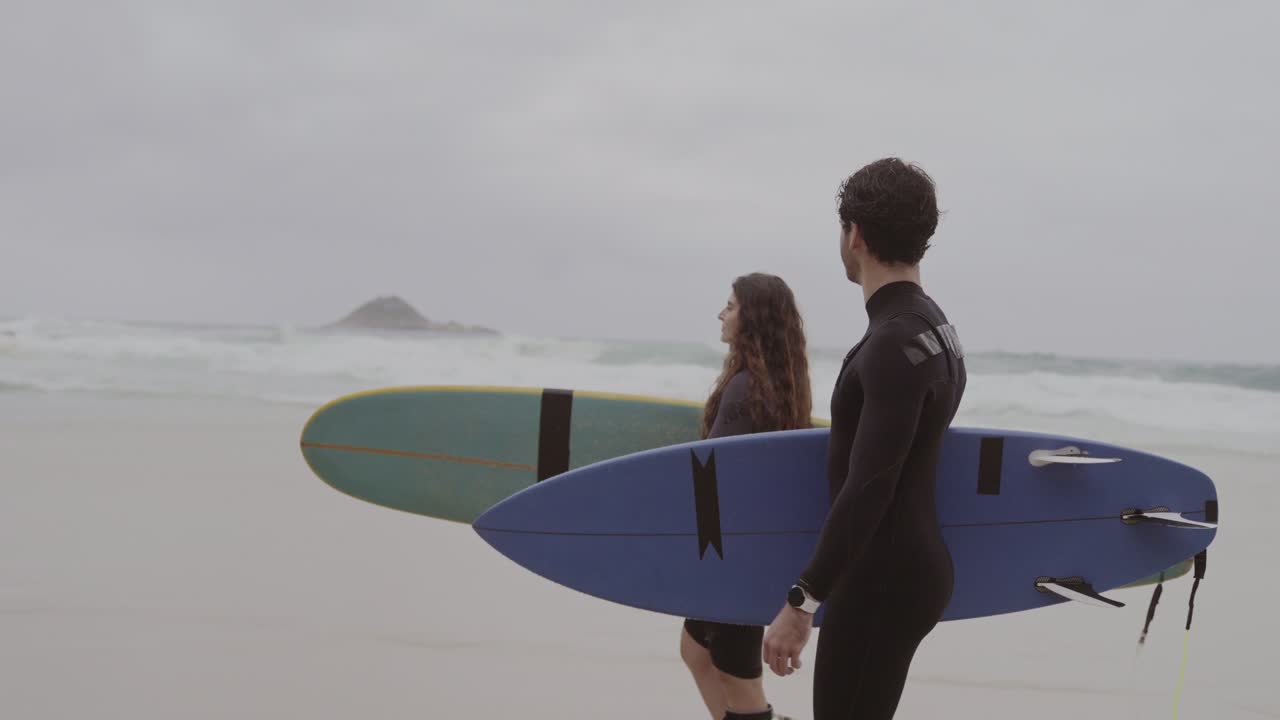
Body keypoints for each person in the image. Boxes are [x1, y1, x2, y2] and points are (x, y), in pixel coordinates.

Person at [761, 158, 968, 720]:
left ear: (855, 236)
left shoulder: (891, 345)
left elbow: (870, 487)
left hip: (880, 581)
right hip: (908, 571)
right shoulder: (937, 330)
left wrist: (802, 601)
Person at [682, 272, 813, 720]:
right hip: (745, 551)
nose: (722, 313)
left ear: (752, 318)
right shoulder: (778, 386)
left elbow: (713, 475)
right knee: (696, 650)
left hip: (731, 560)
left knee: (742, 688)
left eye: (731, 306)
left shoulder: (744, 390)